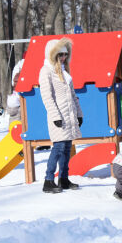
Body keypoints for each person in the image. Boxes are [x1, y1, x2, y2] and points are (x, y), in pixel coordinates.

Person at [39, 37, 83, 193]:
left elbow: (72, 94)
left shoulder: (64, 71)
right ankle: (48, 180)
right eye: (60, 55)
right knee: (58, 147)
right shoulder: (46, 71)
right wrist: (55, 115)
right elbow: (47, 96)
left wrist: (78, 113)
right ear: (52, 55)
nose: (63, 58)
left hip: (69, 115)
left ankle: (63, 178)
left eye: (65, 54)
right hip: (57, 116)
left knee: (66, 148)